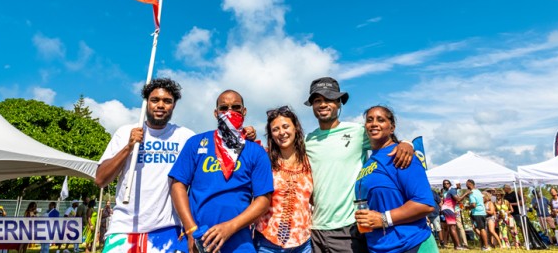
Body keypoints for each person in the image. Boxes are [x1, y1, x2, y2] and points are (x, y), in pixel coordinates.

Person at [303, 77, 414, 253]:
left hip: (349, 226)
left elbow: (386, 140)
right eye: (317, 100)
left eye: (329, 99)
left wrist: (407, 143)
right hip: (314, 229)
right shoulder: (307, 141)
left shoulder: (357, 132)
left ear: (339, 103)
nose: (323, 104)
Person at [95, 78, 196, 253]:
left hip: (167, 229)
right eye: (155, 100)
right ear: (146, 102)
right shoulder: (125, 133)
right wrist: (128, 147)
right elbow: (100, 180)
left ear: (174, 105)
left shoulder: (185, 136)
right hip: (124, 229)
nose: (160, 105)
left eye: (167, 101)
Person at [170, 89, 274, 253]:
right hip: (197, 241)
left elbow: (263, 200)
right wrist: (190, 230)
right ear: (216, 113)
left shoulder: (256, 151)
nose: (229, 112)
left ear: (244, 111)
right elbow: (178, 185)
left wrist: (230, 227)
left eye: (236, 107)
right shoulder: (196, 143)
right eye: (224, 108)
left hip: (239, 244)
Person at [353, 105, 437, 253]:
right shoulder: (369, 161)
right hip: (379, 247)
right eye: (369, 120)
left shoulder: (402, 156)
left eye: (380, 120)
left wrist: (384, 219)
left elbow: (424, 203)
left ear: (392, 128)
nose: (374, 124)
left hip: (411, 244)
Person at [255, 106, 313, 253]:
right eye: (275, 129)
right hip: (268, 243)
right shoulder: (264, 158)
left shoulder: (310, 160)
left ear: (295, 128)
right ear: (271, 134)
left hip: (303, 244)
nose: (281, 132)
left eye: (286, 126)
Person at [459, 179, 489, 250]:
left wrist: (467, 207)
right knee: (476, 228)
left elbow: (473, 205)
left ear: (469, 185)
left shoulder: (472, 193)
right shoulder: (478, 191)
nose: (466, 187)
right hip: (480, 212)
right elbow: (482, 199)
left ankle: (486, 246)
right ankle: (483, 245)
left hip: (478, 212)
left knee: (481, 229)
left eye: (466, 185)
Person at [440, 180, 465, 250]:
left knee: (453, 227)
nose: (460, 185)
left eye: (447, 183)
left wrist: (462, 207)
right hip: (449, 209)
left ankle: (457, 245)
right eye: (459, 184)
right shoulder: (452, 190)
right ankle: (458, 245)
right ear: (456, 184)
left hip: (451, 209)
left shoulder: (453, 190)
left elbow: (458, 202)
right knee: (453, 227)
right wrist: (466, 193)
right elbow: (458, 200)